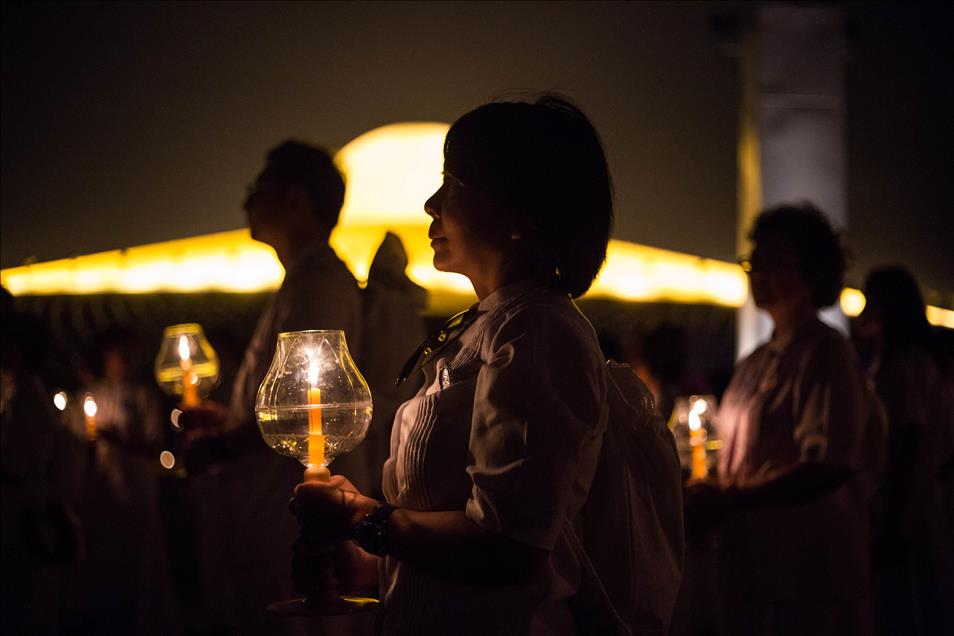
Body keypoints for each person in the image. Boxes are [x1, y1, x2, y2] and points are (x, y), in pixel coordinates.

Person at [290, 96, 614, 635]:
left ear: (517, 211)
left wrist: (362, 516)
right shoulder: (486, 326)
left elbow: (509, 548)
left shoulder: (535, 333)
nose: (431, 204)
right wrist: (366, 565)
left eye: (453, 185)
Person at [180, 141, 365, 634]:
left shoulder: (318, 283)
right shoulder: (301, 280)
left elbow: (308, 408)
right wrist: (231, 420)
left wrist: (221, 445)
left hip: (293, 509)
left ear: (296, 200)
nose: (246, 203)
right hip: (271, 502)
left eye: (257, 189)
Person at [685, 204, 884, 635]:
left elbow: (829, 464)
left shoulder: (827, 353)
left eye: (774, 261)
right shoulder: (755, 362)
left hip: (810, 575)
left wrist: (731, 498)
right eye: (753, 261)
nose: (757, 273)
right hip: (755, 569)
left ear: (812, 271)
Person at [856, 266, 954, 636]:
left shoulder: (908, 364)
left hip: (908, 502)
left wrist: (894, 521)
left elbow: (908, 442)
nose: (864, 311)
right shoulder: (901, 361)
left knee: (908, 602)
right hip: (907, 499)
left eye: (870, 301)